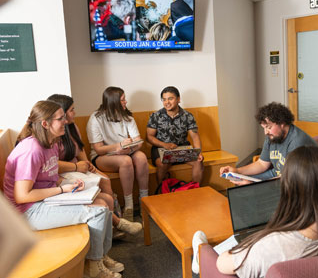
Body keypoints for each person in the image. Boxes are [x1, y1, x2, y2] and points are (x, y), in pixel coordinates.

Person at [192, 146, 318, 278]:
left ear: (288, 187)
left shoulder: (274, 245)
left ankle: (200, 254)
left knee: (213, 254)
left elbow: (223, 264)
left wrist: (251, 244)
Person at [3, 100, 123, 278]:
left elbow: (47, 175)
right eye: (61, 119)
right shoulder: (31, 150)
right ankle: (93, 267)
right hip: (26, 211)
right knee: (98, 211)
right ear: (45, 124)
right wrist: (61, 189)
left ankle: (100, 257)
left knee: (104, 201)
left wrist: (68, 183)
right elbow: (22, 196)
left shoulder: (51, 143)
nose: (66, 121)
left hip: (42, 199)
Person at [48, 94, 142, 237]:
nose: (74, 113)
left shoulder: (72, 127)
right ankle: (116, 223)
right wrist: (77, 167)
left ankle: (111, 225)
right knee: (103, 188)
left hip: (78, 167)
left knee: (105, 180)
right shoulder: (51, 134)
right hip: (66, 172)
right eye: (72, 110)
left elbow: (80, 150)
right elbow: (52, 164)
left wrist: (90, 167)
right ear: (61, 112)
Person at [87, 87, 149, 221]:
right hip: (103, 156)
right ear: (113, 102)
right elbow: (98, 149)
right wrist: (118, 147)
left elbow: (138, 141)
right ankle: (129, 205)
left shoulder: (127, 116)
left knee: (142, 158)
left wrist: (129, 149)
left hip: (126, 151)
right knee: (125, 161)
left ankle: (145, 200)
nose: (126, 102)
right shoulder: (96, 118)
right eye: (123, 100)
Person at [220, 102, 317, 184]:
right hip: (278, 175)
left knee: (249, 188)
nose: (266, 132)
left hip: (298, 183)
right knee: (242, 182)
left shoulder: (297, 142)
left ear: (282, 123)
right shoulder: (273, 136)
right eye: (264, 128)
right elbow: (262, 164)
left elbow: (290, 179)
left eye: (269, 127)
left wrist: (253, 185)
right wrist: (237, 171)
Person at [146, 86, 204, 185]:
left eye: (170, 98)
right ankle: (163, 192)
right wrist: (165, 145)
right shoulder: (155, 116)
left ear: (178, 99)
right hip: (161, 149)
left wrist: (197, 152)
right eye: (164, 99)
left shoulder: (188, 116)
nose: (167, 102)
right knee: (162, 163)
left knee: (198, 161)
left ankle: (194, 191)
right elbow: (149, 137)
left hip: (182, 148)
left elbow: (195, 137)